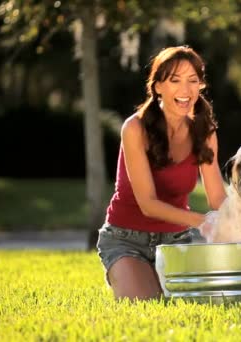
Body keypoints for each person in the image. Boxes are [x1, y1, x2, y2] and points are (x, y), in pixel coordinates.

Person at [96, 46, 226, 300]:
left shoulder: (205, 131)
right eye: (175, 80)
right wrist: (202, 221)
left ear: (201, 86)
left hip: (177, 241)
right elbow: (148, 204)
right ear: (157, 87)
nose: (185, 90)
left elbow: (218, 200)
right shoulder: (134, 128)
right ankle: (124, 272)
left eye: (192, 81)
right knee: (148, 305)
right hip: (126, 239)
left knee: (199, 304)